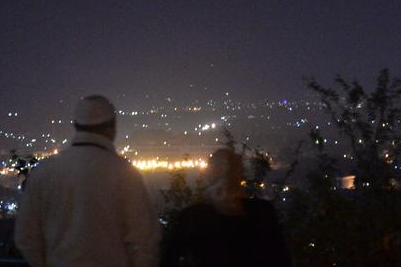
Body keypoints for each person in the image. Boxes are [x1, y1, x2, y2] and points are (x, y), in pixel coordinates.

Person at [15, 94, 159, 267]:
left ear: (76, 126)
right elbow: (144, 241)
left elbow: (26, 238)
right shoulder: (125, 174)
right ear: (112, 128)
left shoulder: (44, 172)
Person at [160, 148, 291, 267]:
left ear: (209, 174)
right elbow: (280, 258)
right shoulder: (263, 212)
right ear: (239, 173)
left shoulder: (193, 217)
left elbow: (170, 258)